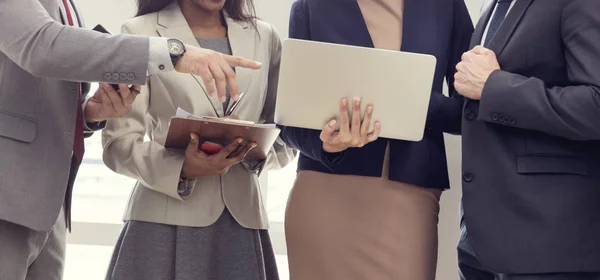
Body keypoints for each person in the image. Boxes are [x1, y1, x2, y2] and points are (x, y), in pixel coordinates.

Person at [0, 0, 261, 279]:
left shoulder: (63, 4)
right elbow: (43, 47)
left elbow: (38, 90)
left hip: (45, 211)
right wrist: (173, 52)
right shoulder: (142, 29)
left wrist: (90, 113)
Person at [101, 0, 296, 279]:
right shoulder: (139, 32)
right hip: (163, 225)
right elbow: (117, 145)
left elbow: (285, 133)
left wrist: (252, 152)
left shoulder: (264, 37)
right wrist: (183, 169)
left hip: (242, 224)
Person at [279, 0, 474, 279]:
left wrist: (416, 102)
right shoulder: (311, 6)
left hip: (408, 199)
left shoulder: (444, 5)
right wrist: (326, 145)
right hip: (323, 198)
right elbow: (288, 120)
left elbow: (471, 109)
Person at [455, 0, 600, 279]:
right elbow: (475, 108)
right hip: (478, 245)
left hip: (550, 245)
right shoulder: (492, 7)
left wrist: (494, 86)